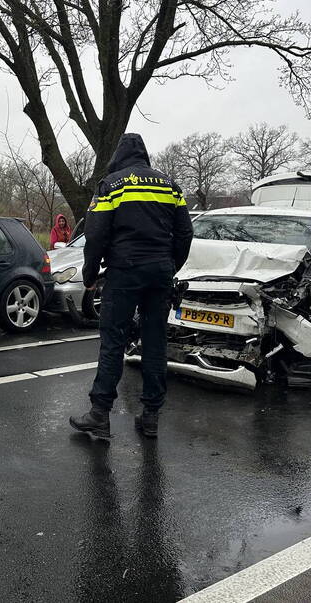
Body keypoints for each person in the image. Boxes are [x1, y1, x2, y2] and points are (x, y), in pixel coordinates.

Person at [69, 133, 193, 439]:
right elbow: (185, 234)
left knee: (113, 341)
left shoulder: (112, 185)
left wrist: (89, 273)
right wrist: (169, 266)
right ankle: (150, 416)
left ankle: (100, 415)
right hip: (159, 273)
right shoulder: (170, 186)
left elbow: (95, 234)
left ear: (119, 156)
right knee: (155, 342)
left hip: (124, 271)